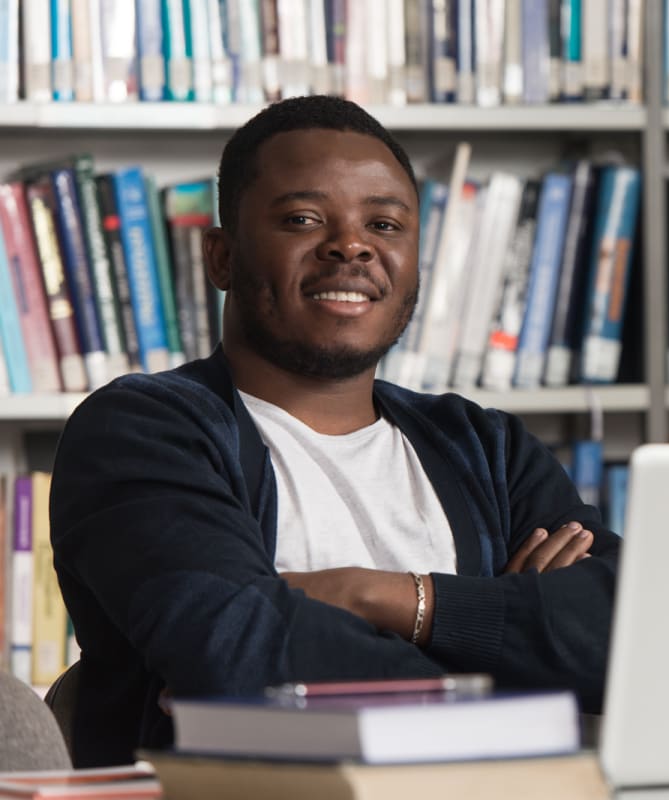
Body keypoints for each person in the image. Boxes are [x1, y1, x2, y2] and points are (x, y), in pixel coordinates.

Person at [49, 96, 620, 768]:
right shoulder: (142, 430)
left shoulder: (486, 447)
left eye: (383, 222)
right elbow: (242, 655)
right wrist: (516, 651)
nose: (352, 244)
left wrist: (377, 595)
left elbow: (630, 634)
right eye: (302, 218)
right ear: (222, 259)